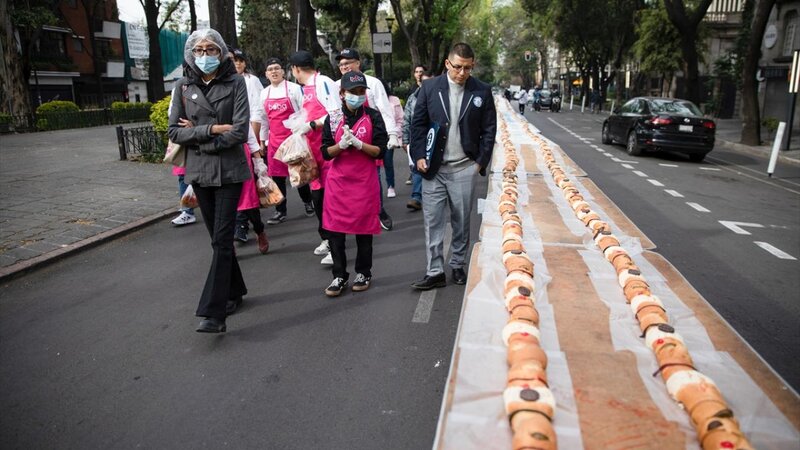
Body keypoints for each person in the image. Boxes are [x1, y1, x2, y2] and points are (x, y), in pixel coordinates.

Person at [168, 29, 251, 333]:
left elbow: (239, 131)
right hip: (200, 173)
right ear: (191, 53)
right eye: (199, 50)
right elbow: (174, 133)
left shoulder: (236, 82)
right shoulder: (183, 86)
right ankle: (236, 289)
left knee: (221, 238)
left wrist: (199, 132)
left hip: (230, 172)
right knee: (218, 239)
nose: (205, 55)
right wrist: (213, 131)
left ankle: (214, 312)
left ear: (221, 52)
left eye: (211, 49)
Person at [409, 42, 497, 290]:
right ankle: (435, 271)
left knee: (461, 220)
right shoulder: (429, 87)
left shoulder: (482, 91)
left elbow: (489, 130)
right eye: (457, 67)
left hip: (464, 167)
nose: (462, 73)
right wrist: (418, 155)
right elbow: (418, 125)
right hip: (433, 168)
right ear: (448, 64)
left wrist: (480, 162)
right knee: (433, 221)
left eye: (467, 68)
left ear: (473, 66)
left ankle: (458, 264)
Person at [320, 71, 388, 296]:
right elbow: (326, 153)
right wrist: (340, 145)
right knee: (336, 231)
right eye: (353, 92)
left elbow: (379, 149)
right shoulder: (333, 118)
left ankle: (364, 272)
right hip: (339, 183)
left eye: (361, 92)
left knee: (363, 229)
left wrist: (359, 144)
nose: (358, 96)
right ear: (342, 93)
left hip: (364, 182)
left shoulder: (373, 116)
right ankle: (339, 275)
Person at [335, 48, 400, 231]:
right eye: (341, 64)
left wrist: (392, 133)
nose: (345, 67)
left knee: (373, 176)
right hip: (344, 139)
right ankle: (350, 214)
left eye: (348, 63)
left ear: (358, 63)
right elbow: (331, 113)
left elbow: (385, 109)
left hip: (368, 137)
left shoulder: (373, 83)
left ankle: (378, 211)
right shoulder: (335, 85)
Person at [288, 50, 343, 265]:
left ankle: (336, 243)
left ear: (296, 69)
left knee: (330, 200)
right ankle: (328, 238)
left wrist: (311, 125)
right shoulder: (305, 89)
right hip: (312, 153)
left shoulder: (324, 82)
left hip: (327, 151)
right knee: (318, 199)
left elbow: (336, 113)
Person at [254, 57, 314, 224]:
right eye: (270, 69)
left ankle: (308, 203)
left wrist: (302, 134)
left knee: (299, 174)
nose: (274, 71)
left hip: (293, 138)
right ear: (266, 74)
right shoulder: (264, 94)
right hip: (274, 141)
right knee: (277, 177)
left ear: (283, 71)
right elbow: (263, 119)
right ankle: (280, 210)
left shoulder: (294, 89)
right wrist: (262, 141)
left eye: (277, 68)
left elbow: (305, 112)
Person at [229, 47, 268, 246]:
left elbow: (254, 113)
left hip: (242, 145)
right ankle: (237, 230)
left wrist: (257, 153)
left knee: (247, 196)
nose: (235, 64)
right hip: (219, 153)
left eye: (238, 60)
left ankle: (258, 229)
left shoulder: (248, 81)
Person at [402, 70, 433, 211]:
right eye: (424, 82)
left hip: (434, 140)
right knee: (416, 168)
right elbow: (407, 120)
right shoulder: (412, 99)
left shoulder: (439, 98)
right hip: (417, 140)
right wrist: (405, 139)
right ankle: (416, 197)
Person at [405, 65, 427, 185]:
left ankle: (417, 195)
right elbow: (407, 115)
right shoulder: (413, 92)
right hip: (414, 131)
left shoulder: (431, 89)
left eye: (421, 72)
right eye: (417, 72)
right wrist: (404, 138)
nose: (419, 74)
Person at [384, 82, 404, 198]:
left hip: (389, 135)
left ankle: (390, 186)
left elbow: (400, 118)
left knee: (388, 162)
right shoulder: (371, 100)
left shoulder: (394, 100)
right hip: (375, 135)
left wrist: (395, 133)